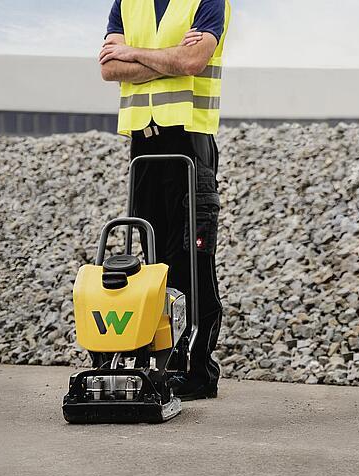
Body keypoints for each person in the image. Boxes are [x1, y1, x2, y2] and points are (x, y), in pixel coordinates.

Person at [97, 0, 229, 400]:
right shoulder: (127, 2)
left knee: (193, 258)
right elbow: (108, 68)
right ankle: (159, 360)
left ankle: (198, 370)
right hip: (144, 146)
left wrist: (134, 53)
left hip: (189, 143)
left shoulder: (206, 1)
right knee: (152, 259)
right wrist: (168, 58)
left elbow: (193, 61)